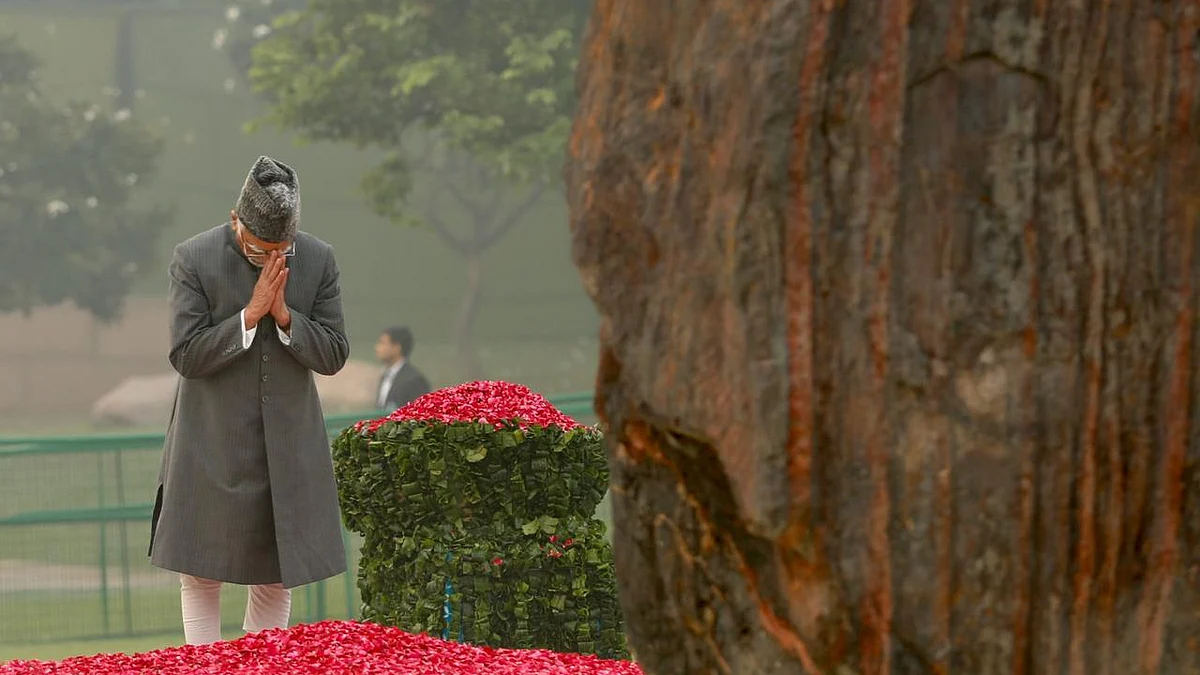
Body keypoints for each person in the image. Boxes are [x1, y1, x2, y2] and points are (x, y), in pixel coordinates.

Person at [148, 155, 350, 645]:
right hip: (210, 438)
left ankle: (261, 663)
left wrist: (285, 319)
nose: (272, 259)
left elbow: (334, 354)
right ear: (237, 221)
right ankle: (206, 664)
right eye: (260, 250)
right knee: (200, 569)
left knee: (277, 570)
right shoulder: (193, 258)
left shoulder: (318, 259)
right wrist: (250, 313)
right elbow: (186, 354)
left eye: (282, 249)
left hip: (288, 442)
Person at [374, 325, 431, 411]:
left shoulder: (415, 380)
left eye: (382, 343)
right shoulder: (385, 376)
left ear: (397, 347)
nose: (377, 348)